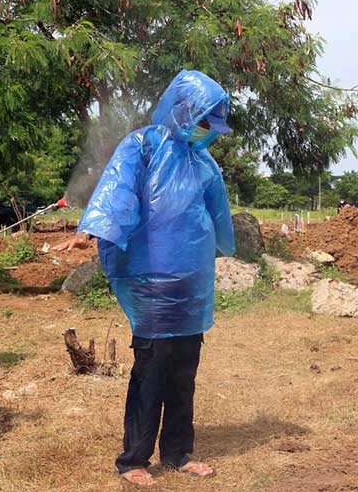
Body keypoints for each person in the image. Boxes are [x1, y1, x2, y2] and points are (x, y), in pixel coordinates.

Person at [54, 70, 235, 486]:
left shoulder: (204, 163)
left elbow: (217, 216)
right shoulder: (143, 146)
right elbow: (116, 192)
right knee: (151, 370)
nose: (208, 130)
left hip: (190, 285)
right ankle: (133, 458)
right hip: (150, 282)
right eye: (203, 119)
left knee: (184, 373)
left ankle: (177, 452)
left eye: (213, 122)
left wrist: (224, 245)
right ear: (182, 110)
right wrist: (91, 229)